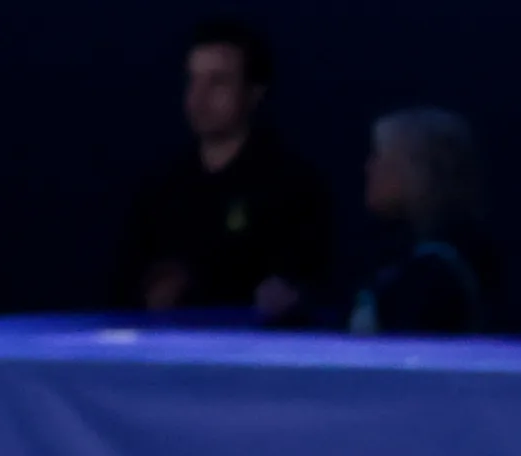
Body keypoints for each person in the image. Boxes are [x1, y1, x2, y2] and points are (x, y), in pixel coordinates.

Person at [125, 18, 327, 321]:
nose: (199, 97)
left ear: (254, 92)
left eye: (217, 82)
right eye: (193, 80)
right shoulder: (160, 187)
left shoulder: (291, 186)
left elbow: (300, 284)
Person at [346, 106, 486, 334]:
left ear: (416, 173)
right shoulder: (401, 261)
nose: (368, 167)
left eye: (379, 156)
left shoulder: (433, 280)